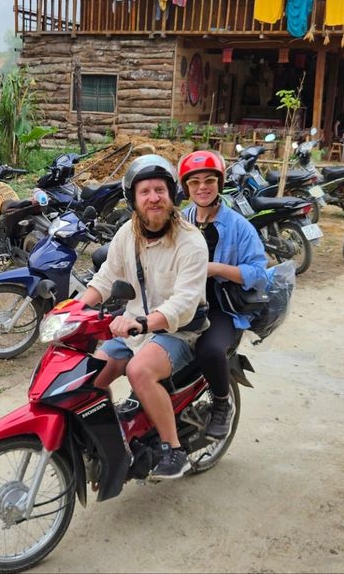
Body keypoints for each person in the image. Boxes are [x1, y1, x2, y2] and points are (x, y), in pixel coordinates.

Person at [79, 155, 209, 480]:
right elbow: (106, 277)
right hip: (134, 327)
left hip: (179, 331)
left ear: (172, 194)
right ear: (133, 200)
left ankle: (173, 448)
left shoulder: (191, 241)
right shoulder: (127, 234)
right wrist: (75, 310)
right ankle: (108, 440)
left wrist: (144, 323)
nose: (153, 198)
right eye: (145, 191)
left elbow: (184, 302)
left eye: (160, 190)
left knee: (139, 371)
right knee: (88, 376)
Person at [177, 150, 269, 440]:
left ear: (219, 183)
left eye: (209, 181)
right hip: (181, 303)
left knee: (210, 349)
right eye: (195, 183)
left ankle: (221, 403)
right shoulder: (179, 221)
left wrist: (217, 269)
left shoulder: (239, 226)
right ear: (186, 188)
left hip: (221, 309)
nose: (202, 187)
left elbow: (259, 273)